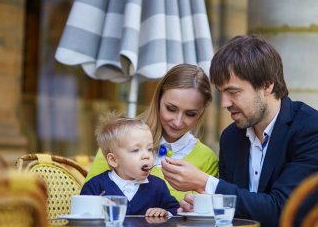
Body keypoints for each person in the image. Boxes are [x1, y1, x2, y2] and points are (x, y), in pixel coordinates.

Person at [161, 35, 318, 227]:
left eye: (233, 92)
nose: (225, 103)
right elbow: (240, 210)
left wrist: (205, 183)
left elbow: (282, 211)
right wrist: (205, 208)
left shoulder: (317, 131)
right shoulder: (231, 137)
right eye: (221, 93)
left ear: (267, 85)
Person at [86, 64, 219, 202]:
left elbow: (204, 215)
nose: (178, 122)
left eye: (190, 114)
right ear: (158, 100)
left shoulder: (207, 159)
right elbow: (89, 199)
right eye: (171, 109)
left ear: (201, 112)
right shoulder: (121, 138)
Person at [80, 112, 180, 227]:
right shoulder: (96, 186)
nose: (146, 156)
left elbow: (176, 212)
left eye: (149, 149)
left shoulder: (157, 186)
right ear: (114, 160)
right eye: (135, 150)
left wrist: (164, 213)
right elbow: (81, 221)